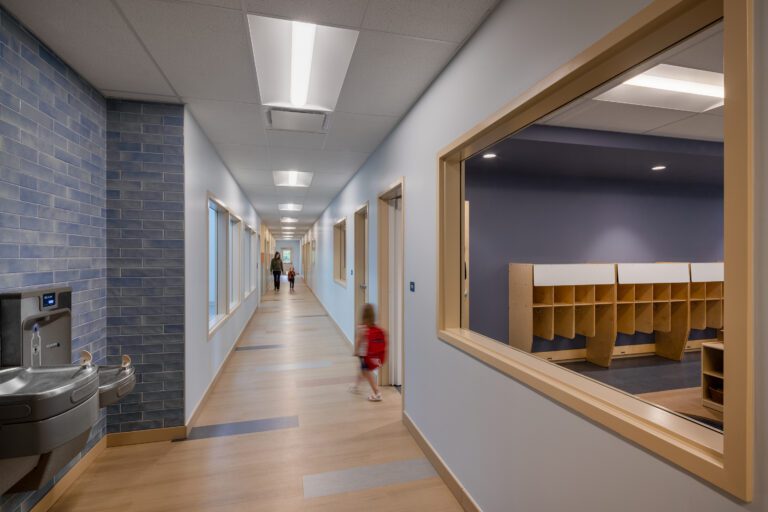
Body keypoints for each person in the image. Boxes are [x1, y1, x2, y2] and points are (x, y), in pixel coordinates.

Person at [350, 303, 387, 402]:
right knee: (362, 370)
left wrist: (355, 351)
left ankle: (377, 393)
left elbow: (358, 341)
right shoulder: (374, 327)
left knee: (367, 373)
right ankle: (356, 386)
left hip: (364, 356)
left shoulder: (361, 327)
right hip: (372, 356)